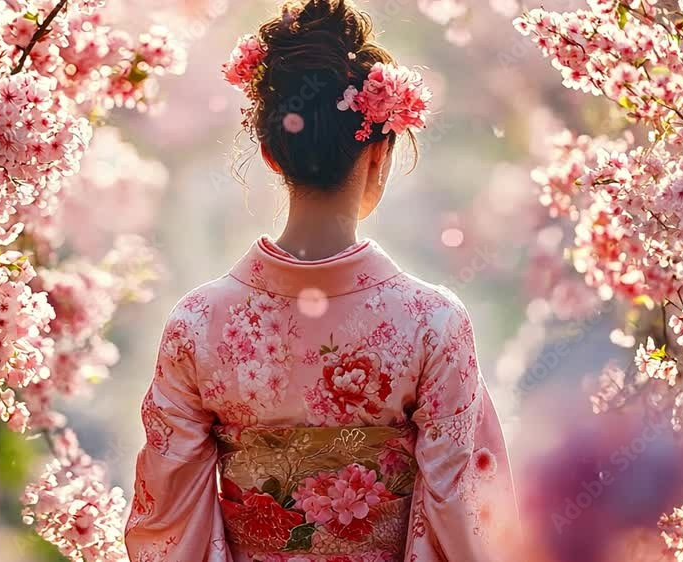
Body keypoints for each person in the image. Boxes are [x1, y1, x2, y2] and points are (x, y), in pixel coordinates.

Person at [124, 1, 518, 559]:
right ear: (379, 151)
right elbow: (467, 520)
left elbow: (169, 523)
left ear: (269, 153)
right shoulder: (433, 323)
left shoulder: (197, 323)